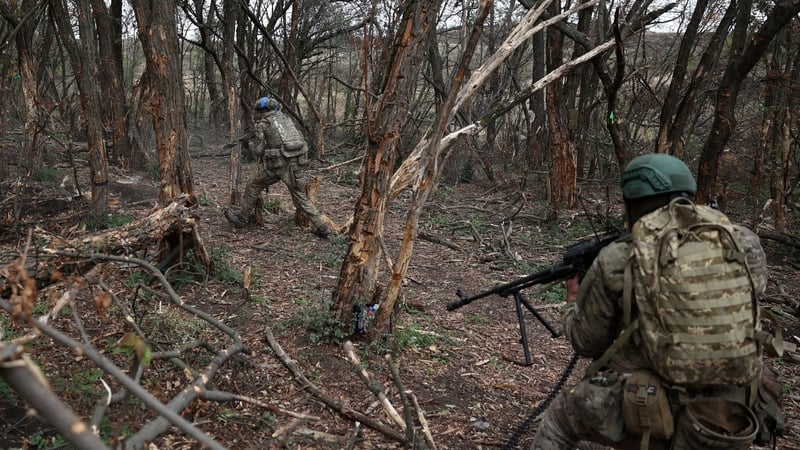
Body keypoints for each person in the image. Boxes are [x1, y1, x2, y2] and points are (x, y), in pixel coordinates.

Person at [531, 153, 783, 450]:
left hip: (652, 407)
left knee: (560, 419)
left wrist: (572, 301)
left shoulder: (619, 257)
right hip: (732, 412)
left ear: (633, 202)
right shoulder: (743, 242)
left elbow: (587, 343)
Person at [225, 96, 333, 239]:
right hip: (297, 162)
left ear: (262, 110)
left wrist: (250, 144)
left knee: (253, 185)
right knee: (300, 197)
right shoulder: (286, 120)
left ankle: (242, 219)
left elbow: (258, 151)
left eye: (258, 111)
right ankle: (322, 226)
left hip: (279, 166)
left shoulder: (263, 124)